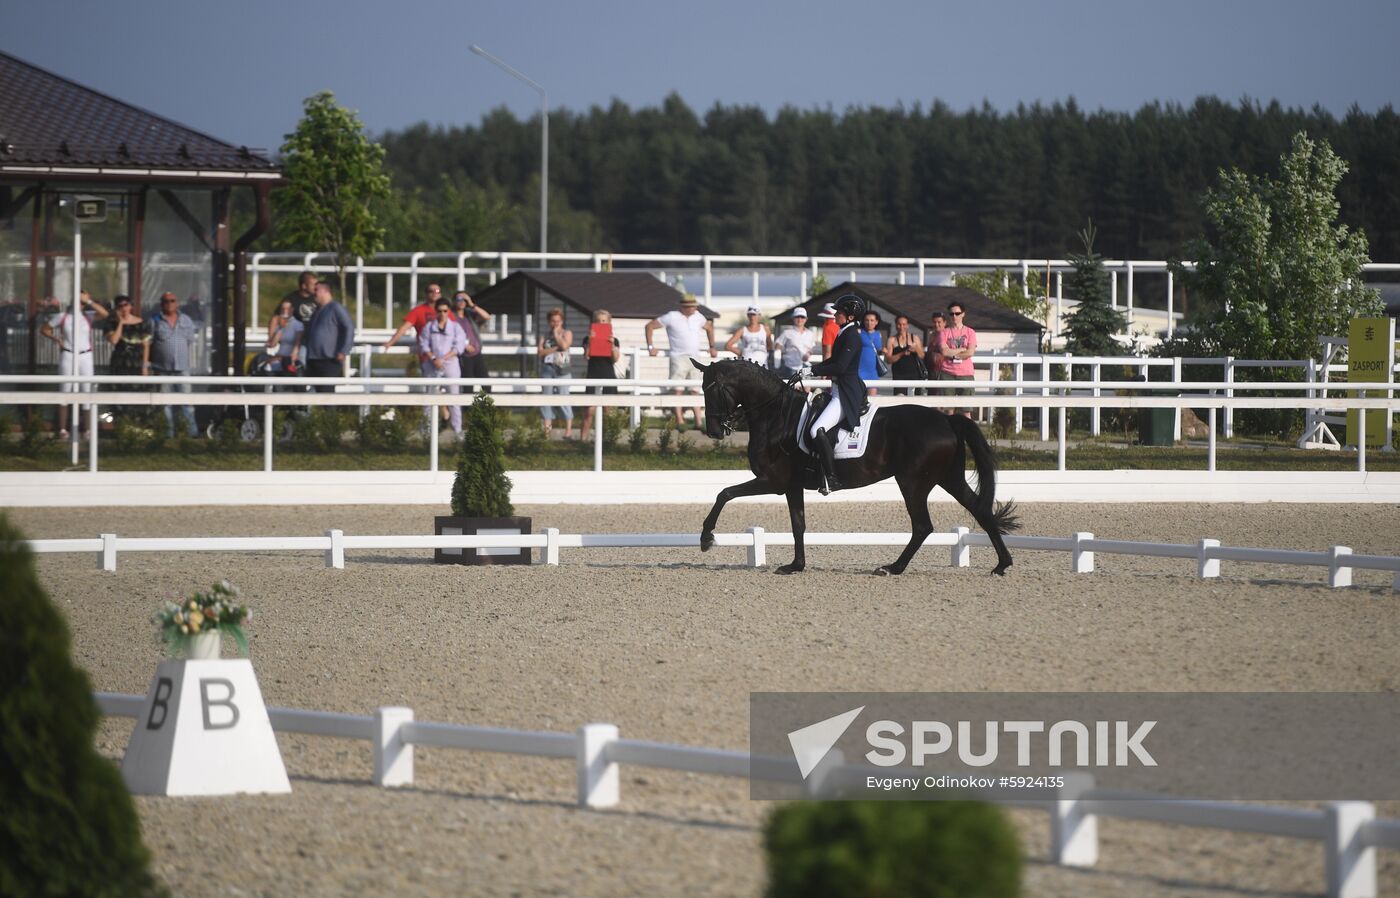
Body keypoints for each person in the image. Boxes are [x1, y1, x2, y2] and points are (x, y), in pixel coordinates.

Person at [807, 294, 866, 495]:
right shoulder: (844, 332)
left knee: (817, 430)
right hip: (837, 390)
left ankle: (832, 478)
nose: (836, 315)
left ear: (849, 317)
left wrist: (813, 372)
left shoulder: (852, 336)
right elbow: (833, 360)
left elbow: (840, 366)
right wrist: (811, 369)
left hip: (845, 394)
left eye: (839, 312)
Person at [41, 290, 108, 438]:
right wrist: (56, 339)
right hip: (68, 353)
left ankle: (87, 429)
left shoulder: (88, 316)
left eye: (82, 301)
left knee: (86, 390)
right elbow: (45, 329)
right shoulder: (63, 317)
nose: (79, 303)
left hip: (85, 355)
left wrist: (89, 302)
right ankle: (63, 429)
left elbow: (105, 314)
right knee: (65, 390)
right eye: (78, 300)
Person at [645, 293, 717, 430]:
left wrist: (712, 346)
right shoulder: (671, 316)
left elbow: (709, 327)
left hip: (695, 358)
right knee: (677, 389)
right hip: (678, 357)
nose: (694, 309)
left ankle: (698, 422)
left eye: (694, 306)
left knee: (695, 389)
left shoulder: (698, 317)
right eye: (691, 306)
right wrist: (650, 347)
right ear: (684, 306)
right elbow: (649, 326)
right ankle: (680, 420)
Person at [417, 299, 467, 434]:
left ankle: (457, 430)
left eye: (445, 311)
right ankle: (426, 431)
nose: (442, 314)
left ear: (449, 311)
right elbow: (423, 344)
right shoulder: (429, 327)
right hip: (432, 365)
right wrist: (434, 358)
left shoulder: (456, 327)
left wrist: (443, 358)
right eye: (439, 311)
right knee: (429, 397)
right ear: (436, 312)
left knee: (454, 398)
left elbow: (459, 346)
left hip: (450, 365)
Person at [304, 280, 355, 393]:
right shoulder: (317, 310)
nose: (314, 293)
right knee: (313, 391)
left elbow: (349, 328)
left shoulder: (335, 308)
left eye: (317, 290)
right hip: (314, 358)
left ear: (325, 291)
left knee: (326, 392)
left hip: (329, 359)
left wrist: (343, 350)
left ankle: (329, 411)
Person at [579, 308, 621, 443]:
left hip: (608, 374)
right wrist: (591, 341)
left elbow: (615, 359)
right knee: (589, 411)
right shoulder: (587, 339)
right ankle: (583, 440)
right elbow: (586, 356)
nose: (601, 323)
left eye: (604, 321)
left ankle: (608, 440)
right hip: (593, 374)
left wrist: (612, 345)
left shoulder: (614, 340)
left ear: (609, 323)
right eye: (598, 321)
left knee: (608, 410)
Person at [537, 307, 575, 439]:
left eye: (558, 321)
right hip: (547, 369)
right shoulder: (544, 336)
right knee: (546, 398)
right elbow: (540, 353)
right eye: (553, 321)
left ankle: (568, 430)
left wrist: (557, 335)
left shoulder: (567, 333)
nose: (556, 323)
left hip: (562, 369)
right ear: (549, 321)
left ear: (562, 321)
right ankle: (547, 430)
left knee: (564, 397)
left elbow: (564, 346)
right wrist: (555, 348)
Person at [936, 301, 978, 418]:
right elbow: (944, 351)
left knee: (966, 410)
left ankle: (967, 434)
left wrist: (953, 352)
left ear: (963, 314)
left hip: (965, 373)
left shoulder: (970, 332)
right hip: (947, 373)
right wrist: (961, 350)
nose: (954, 316)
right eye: (951, 314)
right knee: (948, 410)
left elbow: (970, 352)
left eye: (957, 313)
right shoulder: (944, 332)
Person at [451, 291, 492, 388]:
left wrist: (472, 304)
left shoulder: (470, 314)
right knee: (468, 385)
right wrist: (464, 345)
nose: (461, 302)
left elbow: (487, 316)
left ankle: (485, 403)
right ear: (454, 301)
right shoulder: (451, 316)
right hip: (463, 355)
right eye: (459, 299)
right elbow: (451, 335)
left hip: (476, 353)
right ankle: (467, 403)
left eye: (464, 300)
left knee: (486, 384)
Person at [283, 270, 318, 366]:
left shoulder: (317, 298)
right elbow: (278, 317)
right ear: (304, 286)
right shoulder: (292, 299)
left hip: (315, 340)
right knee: (302, 364)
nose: (316, 287)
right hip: (299, 342)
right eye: (313, 284)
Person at [885, 314, 926, 396]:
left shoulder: (914, 338)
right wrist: (902, 353)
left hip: (914, 374)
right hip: (899, 374)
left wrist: (916, 350)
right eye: (899, 324)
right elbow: (888, 360)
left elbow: (922, 356)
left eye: (904, 324)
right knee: (899, 400)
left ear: (907, 325)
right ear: (896, 325)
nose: (901, 327)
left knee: (914, 401)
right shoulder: (892, 340)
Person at [773, 307, 816, 378]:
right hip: (790, 366)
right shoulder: (787, 333)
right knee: (791, 388)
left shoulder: (810, 334)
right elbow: (777, 345)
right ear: (793, 318)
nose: (800, 319)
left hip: (805, 366)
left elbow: (811, 348)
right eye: (797, 317)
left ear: (806, 319)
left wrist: (809, 353)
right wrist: (780, 352)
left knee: (807, 388)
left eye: (802, 317)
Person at [265, 298, 303, 373]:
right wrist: (281, 327)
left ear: (292, 309)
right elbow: (273, 344)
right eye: (283, 309)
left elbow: (298, 342)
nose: (285, 311)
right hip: (280, 357)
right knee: (266, 367)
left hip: (290, 358)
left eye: (287, 309)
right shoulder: (281, 326)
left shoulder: (298, 325)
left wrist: (294, 355)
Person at [924, 311, 950, 412]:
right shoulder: (931, 335)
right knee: (932, 402)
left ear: (944, 323)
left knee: (943, 402)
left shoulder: (948, 335)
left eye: (939, 322)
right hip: (932, 372)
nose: (936, 324)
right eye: (934, 322)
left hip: (944, 371)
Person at [858, 309, 884, 397]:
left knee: (872, 400)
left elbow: (879, 349)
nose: (869, 323)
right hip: (859, 370)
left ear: (876, 322)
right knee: (859, 399)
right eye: (867, 320)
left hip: (872, 371)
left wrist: (884, 350)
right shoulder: (859, 332)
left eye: (872, 320)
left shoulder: (878, 334)